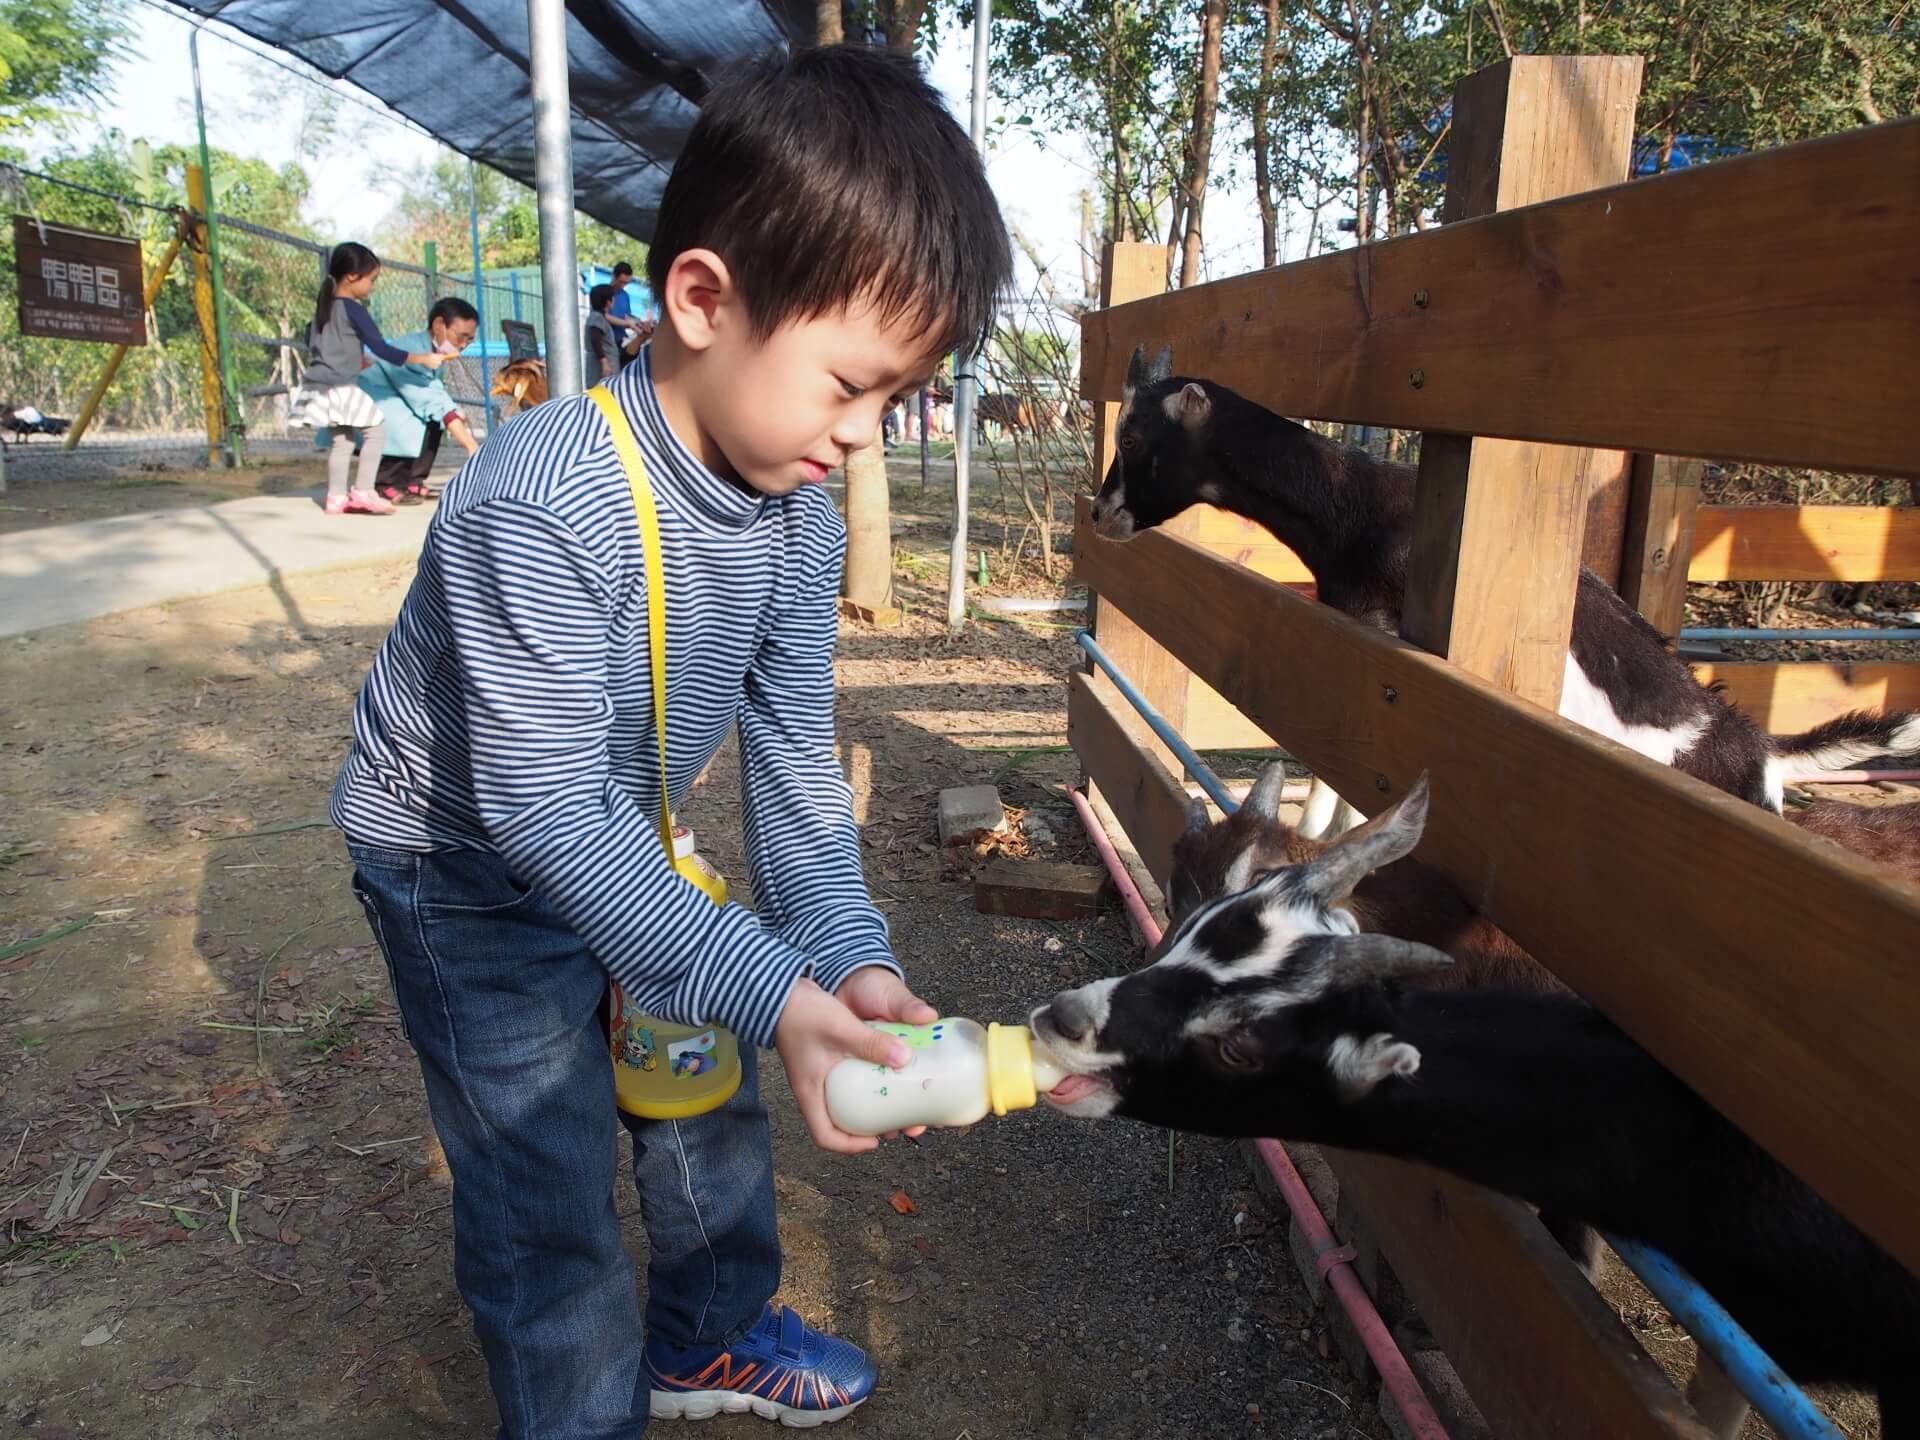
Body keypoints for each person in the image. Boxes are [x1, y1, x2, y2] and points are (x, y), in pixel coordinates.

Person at [330, 43, 1011, 1439]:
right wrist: (776, 989)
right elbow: (540, 819)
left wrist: (850, 960)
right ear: (701, 298)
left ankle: (704, 1338)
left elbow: (793, 768)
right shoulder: (542, 498)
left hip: (617, 836)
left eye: (894, 397)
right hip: (464, 865)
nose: (865, 435)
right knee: (548, 1186)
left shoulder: (795, 508)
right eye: (848, 385)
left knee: (702, 1093)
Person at [294, 241, 449, 516]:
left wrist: (351, 360)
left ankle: (336, 498)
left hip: (319, 385)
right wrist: (421, 358)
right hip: (341, 386)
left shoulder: (324, 308)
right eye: (372, 280)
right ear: (352, 277)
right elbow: (382, 348)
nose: (372, 287)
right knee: (375, 431)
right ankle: (364, 491)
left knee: (342, 442)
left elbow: (315, 342)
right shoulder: (353, 309)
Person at [356, 296, 483, 505]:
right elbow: (427, 399)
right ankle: (385, 483)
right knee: (411, 419)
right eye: (460, 336)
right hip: (370, 405)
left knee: (437, 419)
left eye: (469, 339)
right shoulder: (413, 350)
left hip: (396, 399)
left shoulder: (432, 351)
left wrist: (454, 411)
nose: (462, 344)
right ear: (439, 325)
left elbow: (435, 395)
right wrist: (470, 444)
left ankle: (412, 480)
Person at [585, 282, 621, 385]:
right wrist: (604, 362)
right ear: (607, 301)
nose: (614, 300)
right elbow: (595, 339)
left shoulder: (601, 318)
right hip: (601, 372)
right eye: (612, 298)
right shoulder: (597, 318)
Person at [608, 259, 641, 363]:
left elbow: (627, 318)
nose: (623, 286)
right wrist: (627, 323)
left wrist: (638, 324)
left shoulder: (625, 295)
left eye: (626, 283)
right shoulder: (601, 292)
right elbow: (602, 316)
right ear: (614, 276)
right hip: (606, 344)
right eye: (621, 282)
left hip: (621, 342)